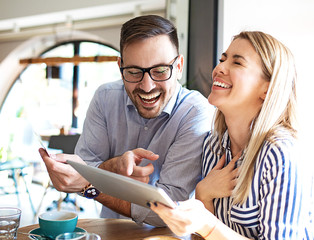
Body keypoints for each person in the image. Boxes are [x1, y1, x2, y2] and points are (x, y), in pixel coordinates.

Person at [39, 15, 214, 227]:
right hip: (111, 232)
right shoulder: (105, 98)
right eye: (134, 72)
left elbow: (170, 210)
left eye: (160, 71)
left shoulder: (195, 112)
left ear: (179, 67)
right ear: (120, 67)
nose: (147, 86)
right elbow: (83, 168)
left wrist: (89, 185)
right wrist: (112, 168)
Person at [150, 31, 314, 239]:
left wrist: (207, 223)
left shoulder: (281, 154)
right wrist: (204, 194)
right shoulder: (214, 145)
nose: (219, 68)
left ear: (267, 89)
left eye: (237, 63)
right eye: (222, 59)